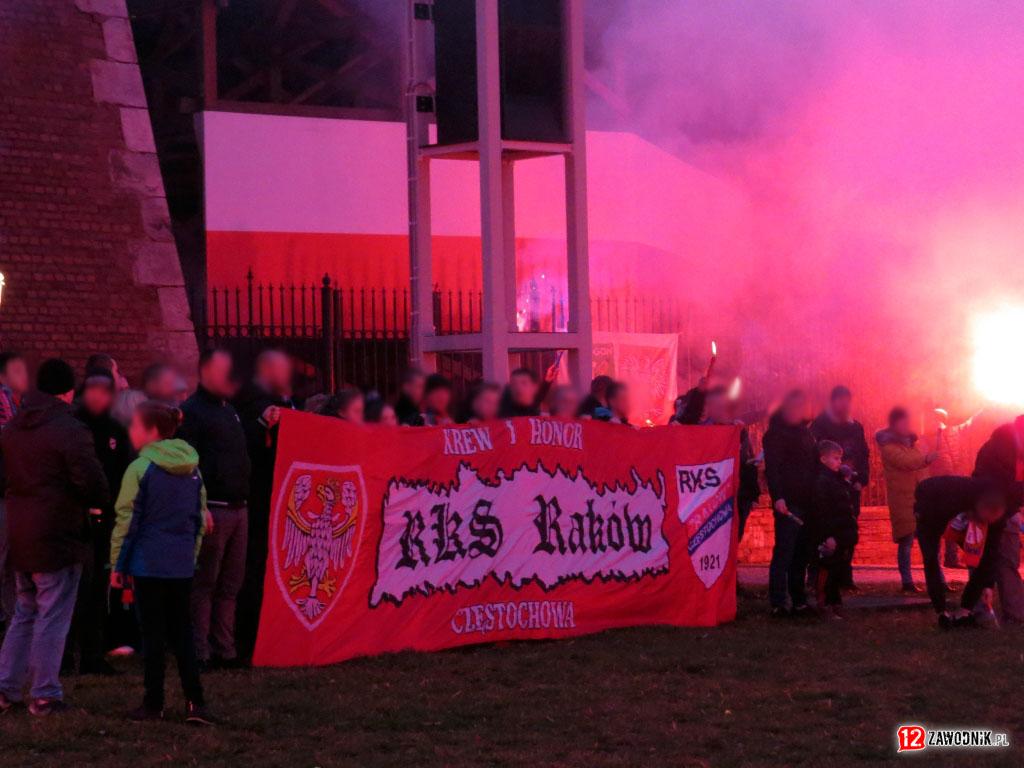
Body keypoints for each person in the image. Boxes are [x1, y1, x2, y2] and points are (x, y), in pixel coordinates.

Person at [0, 359, 108, 715]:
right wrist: (96, 502)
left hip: (21, 532)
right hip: (57, 535)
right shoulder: (69, 429)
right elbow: (91, 482)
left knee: (23, 612)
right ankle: (45, 693)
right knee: (52, 615)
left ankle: (5, 689)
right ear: (67, 391)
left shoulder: (13, 428)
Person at [110, 401, 212, 724]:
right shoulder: (193, 471)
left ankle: (153, 703)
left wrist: (118, 566)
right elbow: (198, 520)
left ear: (151, 432)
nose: (132, 432)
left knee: (152, 635)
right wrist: (190, 558)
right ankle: (196, 702)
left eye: (137, 426)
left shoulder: (140, 470)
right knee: (183, 632)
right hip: (180, 565)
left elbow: (127, 522)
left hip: (147, 564)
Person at [179, 350, 251, 670]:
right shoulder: (191, 413)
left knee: (230, 585)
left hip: (238, 508)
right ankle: (200, 651)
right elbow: (187, 464)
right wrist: (200, 504)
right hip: (215, 510)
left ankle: (226, 648)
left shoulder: (229, 411)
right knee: (206, 583)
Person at [65, 368, 134, 675]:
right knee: (72, 589)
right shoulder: (73, 426)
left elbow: (122, 472)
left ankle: (93, 653)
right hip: (76, 520)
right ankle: (65, 655)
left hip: (106, 520)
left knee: (97, 590)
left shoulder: (116, 429)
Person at [231, 350, 296, 663]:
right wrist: (262, 423)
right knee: (256, 567)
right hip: (261, 499)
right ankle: (250, 635)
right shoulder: (254, 407)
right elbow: (246, 443)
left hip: (275, 497)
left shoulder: (282, 402)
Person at [913, 475, 1013, 625]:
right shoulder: (954, 493)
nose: (986, 523)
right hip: (931, 510)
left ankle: (964, 612)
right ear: (978, 507)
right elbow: (924, 490)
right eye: (983, 519)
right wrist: (922, 514)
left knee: (982, 559)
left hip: (960, 515)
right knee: (930, 557)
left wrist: (988, 585)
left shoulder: (997, 518)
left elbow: (990, 552)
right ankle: (941, 612)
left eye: (989, 522)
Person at [677, 383, 761, 540]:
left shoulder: (729, 429)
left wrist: (738, 435)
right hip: (695, 496)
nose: (705, 409)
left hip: (728, 494)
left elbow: (743, 461)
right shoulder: (684, 426)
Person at [763, 389, 817, 617]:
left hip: (807, 500)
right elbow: (773, 469)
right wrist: (778, 497)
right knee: (785, 551)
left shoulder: (806, 433)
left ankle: (798, 599)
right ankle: (778, 601)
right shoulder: (776, 434)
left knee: (801, 553)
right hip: (789, 501)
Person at [810, 386, 869, 590]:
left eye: (848, 401)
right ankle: (819, 576)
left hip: (850, 486)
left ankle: (845, 576)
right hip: (830, 485)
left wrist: (862, 478)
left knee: (848, 529)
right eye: (841, 401)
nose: (845, 405)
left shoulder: (856, 427)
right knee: (827, 531)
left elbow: (864, 454)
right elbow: (815, 454)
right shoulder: (820, 424)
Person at [877, 407, 937, 593]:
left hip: (920, 499)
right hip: (903, 501)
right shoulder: (889, 447)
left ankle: (937, 582)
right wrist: (926, 459)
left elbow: (918, 466)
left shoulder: (913, 444)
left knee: (930, 542)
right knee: (907, 542)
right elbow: (906, 462)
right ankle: (907, 582)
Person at [972, 416, 1024, 622]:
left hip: (979, 508)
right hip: (1005, 511)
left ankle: (979, 610)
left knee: (979, 561)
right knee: (1007, 563)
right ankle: (1016, 613)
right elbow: (1016, 486)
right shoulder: (1017, 452)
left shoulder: (990, 446)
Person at [929, 407, 982, 569]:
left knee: (953, 519)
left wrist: (981, 411)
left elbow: (968, 424)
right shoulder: (930, 437)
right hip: (939, 483)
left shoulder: (952, 431)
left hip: (951, 481)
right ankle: (943, 559)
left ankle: (950, 558)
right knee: (944, 521)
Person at [811, 441, 859, 618]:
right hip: (832, 533)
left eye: (840, 458)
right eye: (836, 458)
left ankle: (835, 602)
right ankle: (824, 603)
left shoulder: (837, 479)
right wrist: (828, 535)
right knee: (828, 568)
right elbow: (822, 510)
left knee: (838, 568)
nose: (840, 462)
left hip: (842, 531)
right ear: (823, 459)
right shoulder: (822, 481)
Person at [0, 351, 28, 632]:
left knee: (10, 566)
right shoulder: (4, 400)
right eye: (19, 371)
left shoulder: (16, 402)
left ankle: (10, 624)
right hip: (4, 488)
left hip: (11, 489)